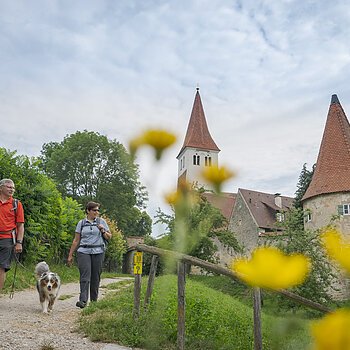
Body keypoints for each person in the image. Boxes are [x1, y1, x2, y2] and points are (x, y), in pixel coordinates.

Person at [67, 201, 111, 308]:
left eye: (97, 210)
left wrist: (102, 230)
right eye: (94, 210)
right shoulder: (81, 223)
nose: (96, 212)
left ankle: (94, 302)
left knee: (95, 277)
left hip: (98, 252)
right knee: (85, 277)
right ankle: (83, 301)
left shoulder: (102, 222)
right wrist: (70, 255)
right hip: (84, 251)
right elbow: (76, 240)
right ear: (88, 211)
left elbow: (109, 237)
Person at [0, 179, 25, 292]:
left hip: (7, 239)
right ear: (1, 188)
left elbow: (20, 226)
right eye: (9, 187)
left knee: (1, 267)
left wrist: (19, 243)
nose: (12, 189)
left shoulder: (16, 204)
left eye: (13, 188)